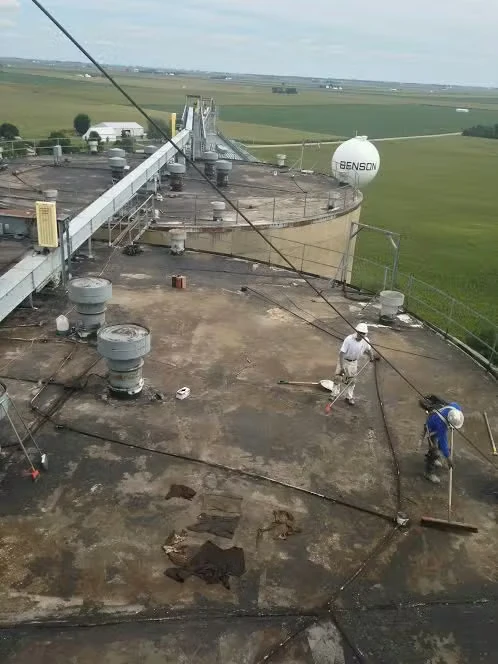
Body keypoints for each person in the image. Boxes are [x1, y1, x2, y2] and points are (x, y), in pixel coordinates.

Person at [331, 323, 376, 406]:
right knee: (338, 378)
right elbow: (341, 353)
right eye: (360, 332)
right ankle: (334, 394)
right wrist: (341, 366)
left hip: (353, 362)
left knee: (352, 381)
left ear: (365, 334)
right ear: (356, 331)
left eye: (363, 333)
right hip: (344, 360)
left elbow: (369, 350)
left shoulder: (366, 341)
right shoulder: (349, 339)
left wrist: (372, 357)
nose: (361, 334)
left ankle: (349, 397)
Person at [423, 403, 464, 484]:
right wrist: (448, 458)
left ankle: (435, 460)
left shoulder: (456, 408)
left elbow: (455, 406)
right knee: (434, 451)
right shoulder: (441, 425)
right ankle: (429, 473)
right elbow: (443, 443)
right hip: (431, 428)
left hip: (436, 419)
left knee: (440, 447)